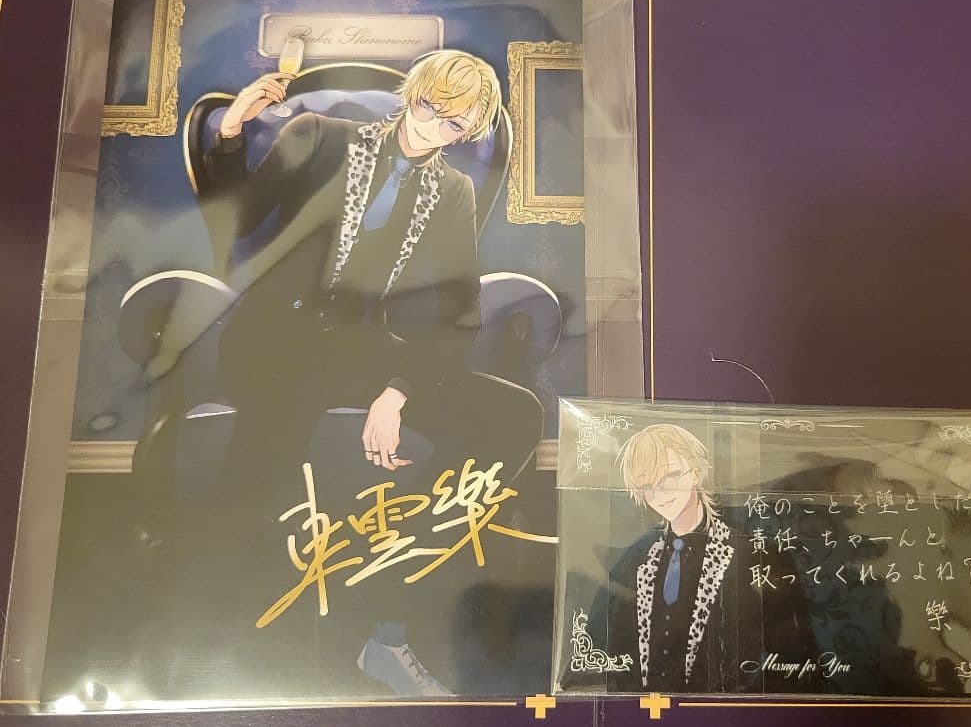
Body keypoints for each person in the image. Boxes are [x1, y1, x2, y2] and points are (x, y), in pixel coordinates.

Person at [200, 49, 544, 496]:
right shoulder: (318, 136)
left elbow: (460, 310)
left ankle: (414, 527)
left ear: (465, 133)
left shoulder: (453, 190)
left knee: (515, 414)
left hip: (357, 349)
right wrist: (231, 132)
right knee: (264, 477)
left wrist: (398, 391)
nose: (431, 128)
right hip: (272, 341)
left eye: (453, 125)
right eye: (428, 107)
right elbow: (239, 219)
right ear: (413, 93)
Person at [598, 424, 822, 694]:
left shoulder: (755, 554)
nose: (661, 492)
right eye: (648, 485)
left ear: (695, 471)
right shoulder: (635, 560)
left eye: (671, 475)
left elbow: (793, 662)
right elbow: (614, 659)